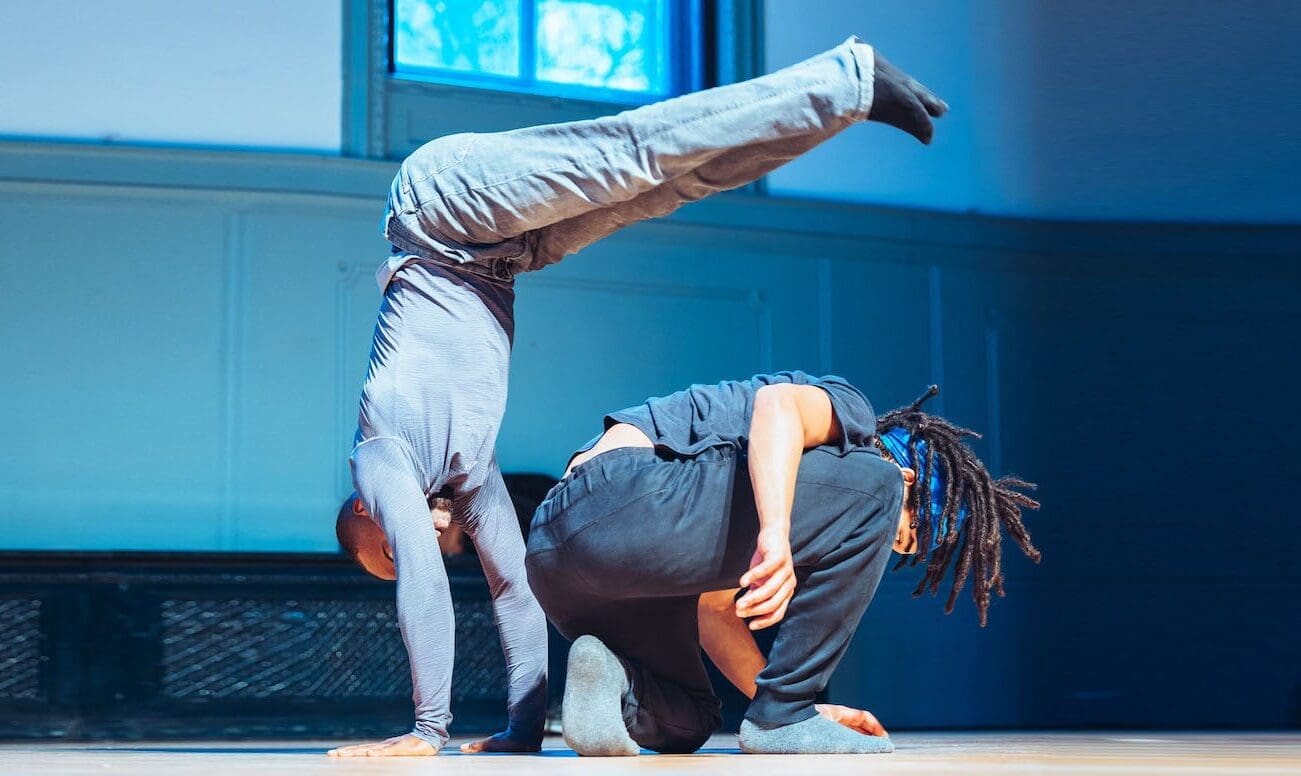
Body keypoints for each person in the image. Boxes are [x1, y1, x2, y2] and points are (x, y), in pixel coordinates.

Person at [330, 36, 949, 757]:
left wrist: (426, 732)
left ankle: (849, 77)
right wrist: (520, 732)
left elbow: (425, 588)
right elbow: (514, 596)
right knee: (672, 185)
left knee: (633, 153)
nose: (411, 556)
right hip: (500, 258)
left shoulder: (377, 460)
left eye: (388, 553)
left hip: (438, 212)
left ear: (367, 511)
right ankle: (840, 109)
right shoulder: (468, 475)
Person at [524, 374, 1041, 755]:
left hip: (557, 558)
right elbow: (776, 406)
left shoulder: (747, 510)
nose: (886, 545)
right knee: (872, 489)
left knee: (688, 719)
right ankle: (783, 715)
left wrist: (789, 702)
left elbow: (714, 611)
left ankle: (608, 674)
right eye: (901, 534)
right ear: (909, 477)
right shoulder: (855, 421)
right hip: (622, 494)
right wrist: (775, 533)